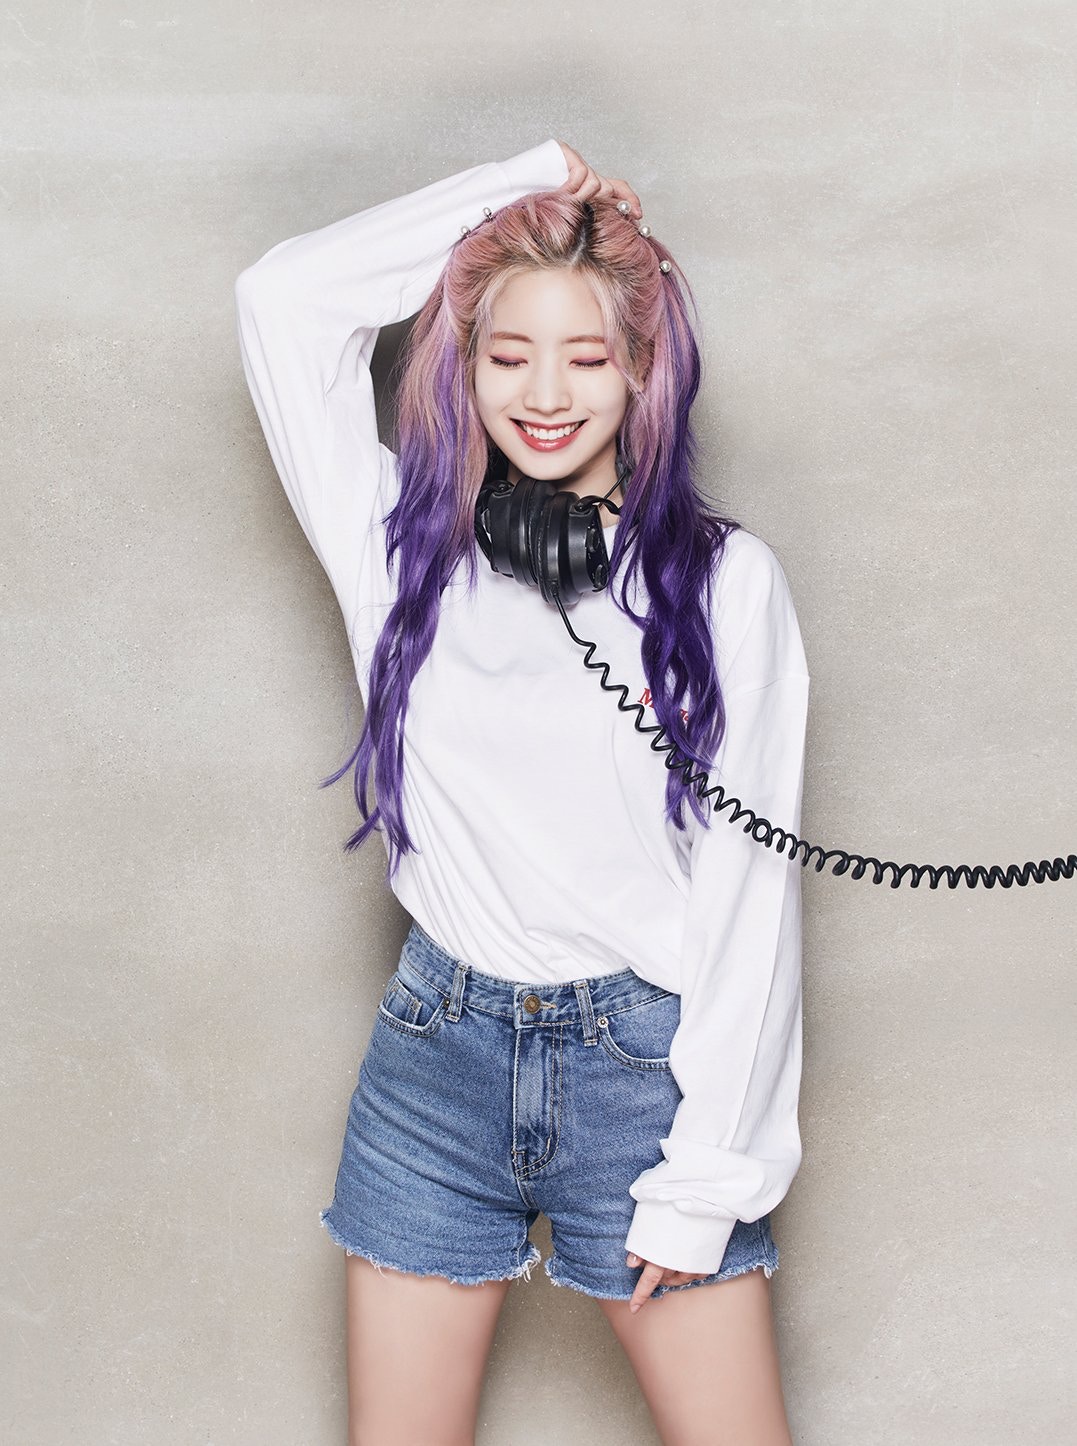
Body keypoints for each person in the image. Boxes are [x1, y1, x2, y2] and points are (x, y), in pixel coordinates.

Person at [234, 136, 809, 1446]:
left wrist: (705, 1177)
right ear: (464, 364)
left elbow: (751, 900)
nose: (545, 395)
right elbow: (281, 300)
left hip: (644, 1076)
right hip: (433, 1061)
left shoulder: (726, 590)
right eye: (507, 356)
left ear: (643, 368)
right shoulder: (396, 551)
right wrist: (534, 179)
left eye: (587, 356)